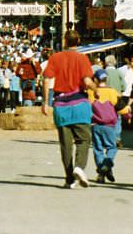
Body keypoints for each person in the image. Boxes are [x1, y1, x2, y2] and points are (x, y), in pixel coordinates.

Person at [42, 30, 95, 189]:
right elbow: (86, 80)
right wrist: (95, 88)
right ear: (78, 41)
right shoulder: (83, 58)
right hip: (80, 104)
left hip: (61, 105)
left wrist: (45, 102)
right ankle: (79, 166)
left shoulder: (55, 58)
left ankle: (69, 178)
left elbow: (46, 79)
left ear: (64, 41)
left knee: (66, 145)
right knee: (84, 139)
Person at [91, 70, 119, 184]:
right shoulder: (112, 92)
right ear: (106, 79)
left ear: (95, 80)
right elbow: (117, 104)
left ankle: (101, 174)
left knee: (98, 149)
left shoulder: (92, 92)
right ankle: (107, 165)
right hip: (109, 125)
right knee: (112, 147)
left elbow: (89, 104)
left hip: (95, 124)